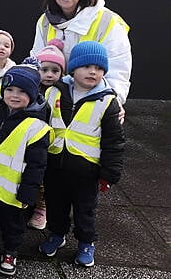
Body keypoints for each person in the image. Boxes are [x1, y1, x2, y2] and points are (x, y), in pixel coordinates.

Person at [39, 41, 125, 267]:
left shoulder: (107, 101)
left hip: (87, 170)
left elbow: (113, 141)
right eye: (87, 66)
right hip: (55, 164)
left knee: (84, 210)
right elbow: (40, 125)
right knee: (56, 205)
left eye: (98, 68)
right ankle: (57, 235)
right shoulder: (54, 92)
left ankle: (86, 242)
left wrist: (109, 173)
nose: (93, 72)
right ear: (73, 69)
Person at [0, 60, 52, 276]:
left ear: (33, 95)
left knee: (12, 225)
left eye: (22, 91)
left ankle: (10, 251)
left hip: (13, 191)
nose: (14, 95)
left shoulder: (36, 128)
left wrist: (29, 191)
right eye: (10, 89)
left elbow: (37, 165)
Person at [30, 0, 131, 109]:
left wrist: (112, 105)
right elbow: (35, 63)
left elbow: (118, 71)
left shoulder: (108, 21)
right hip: (53, 102)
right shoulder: (44, 22)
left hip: (92, 102)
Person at [27, 39, 66, 230]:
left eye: (55, 70)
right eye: (45, 69)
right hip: (31, 140)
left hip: (51, 143)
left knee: (44, 178)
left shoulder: (63, 93)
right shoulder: (30, 89)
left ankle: (41, 208)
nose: (49, 74)